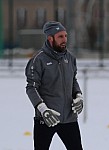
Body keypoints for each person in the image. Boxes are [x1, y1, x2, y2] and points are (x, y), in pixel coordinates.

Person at [25, 21, 84, 150]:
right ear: (50, 39)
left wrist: (78, 95)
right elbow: (31, 88)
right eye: (60, 36)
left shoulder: (70, 58)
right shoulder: (38, 60)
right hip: (47, 118)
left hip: (69, 118)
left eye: (65, 36)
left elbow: (73, 80)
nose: (64, 40)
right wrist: (43, 109)